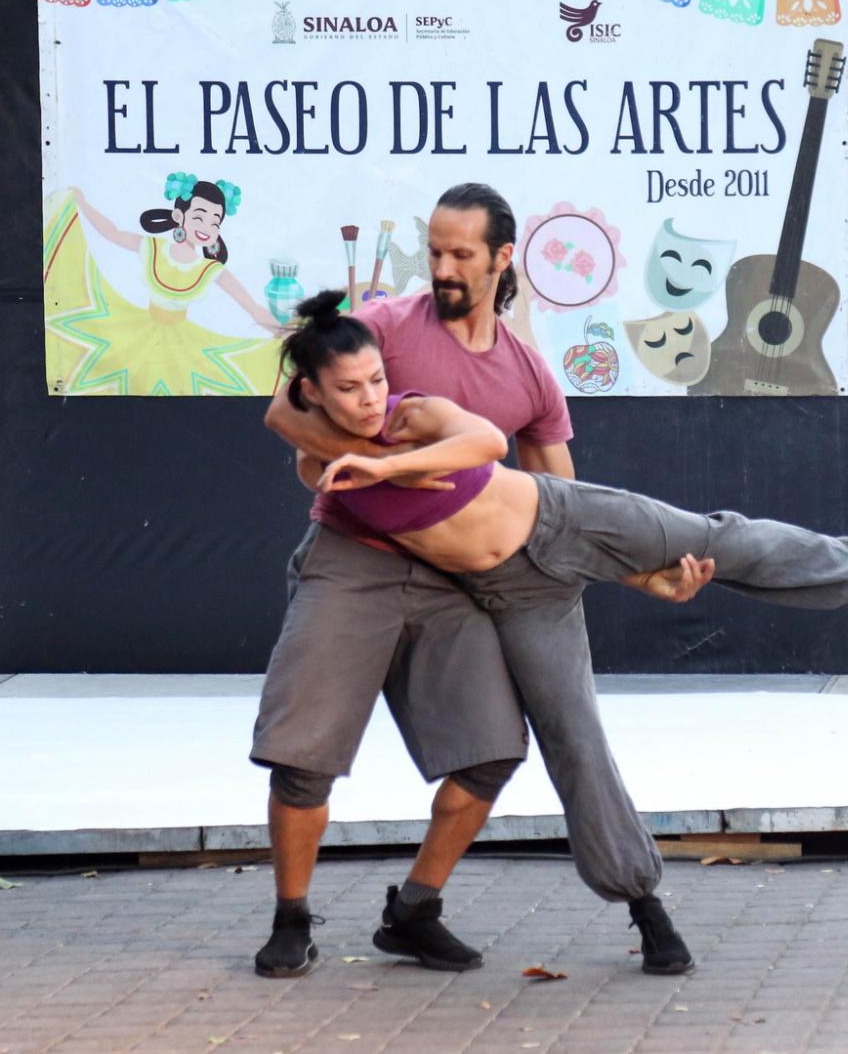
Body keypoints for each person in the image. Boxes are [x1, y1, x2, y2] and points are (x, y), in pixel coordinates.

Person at [252, 184, 697, 981]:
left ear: (503, 258)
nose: (445, 268)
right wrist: (366, 467)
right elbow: (284, 412)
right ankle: (292, 919)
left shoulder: (530, 376)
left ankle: (415, 910)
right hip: (354, 557)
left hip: (458, 579)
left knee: (495, 751)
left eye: (462, 254)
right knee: (304, 757)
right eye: (436, 252)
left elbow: (564, 510)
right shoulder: (389, 326)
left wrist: (645, 576)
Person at [285, 287, 848, 624]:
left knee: (714, 541)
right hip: (496, 584)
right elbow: (285, 417)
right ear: (314, 391)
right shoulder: (320, 459)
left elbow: (509, 460)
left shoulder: (415, 410)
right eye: (348, 387)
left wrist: (387, 463)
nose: (369, 395)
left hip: (551, 518)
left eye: (375, 377)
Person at [42, 174, 284, 396]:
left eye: (214, 222)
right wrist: (82, 204)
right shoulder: (153, 248)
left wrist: (284, 334)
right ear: (180, 216)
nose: (206, 227)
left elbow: (253, 309)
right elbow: (112, 233)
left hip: (185, 346)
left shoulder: (210, 269)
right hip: (136, 330)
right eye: (199, 216)